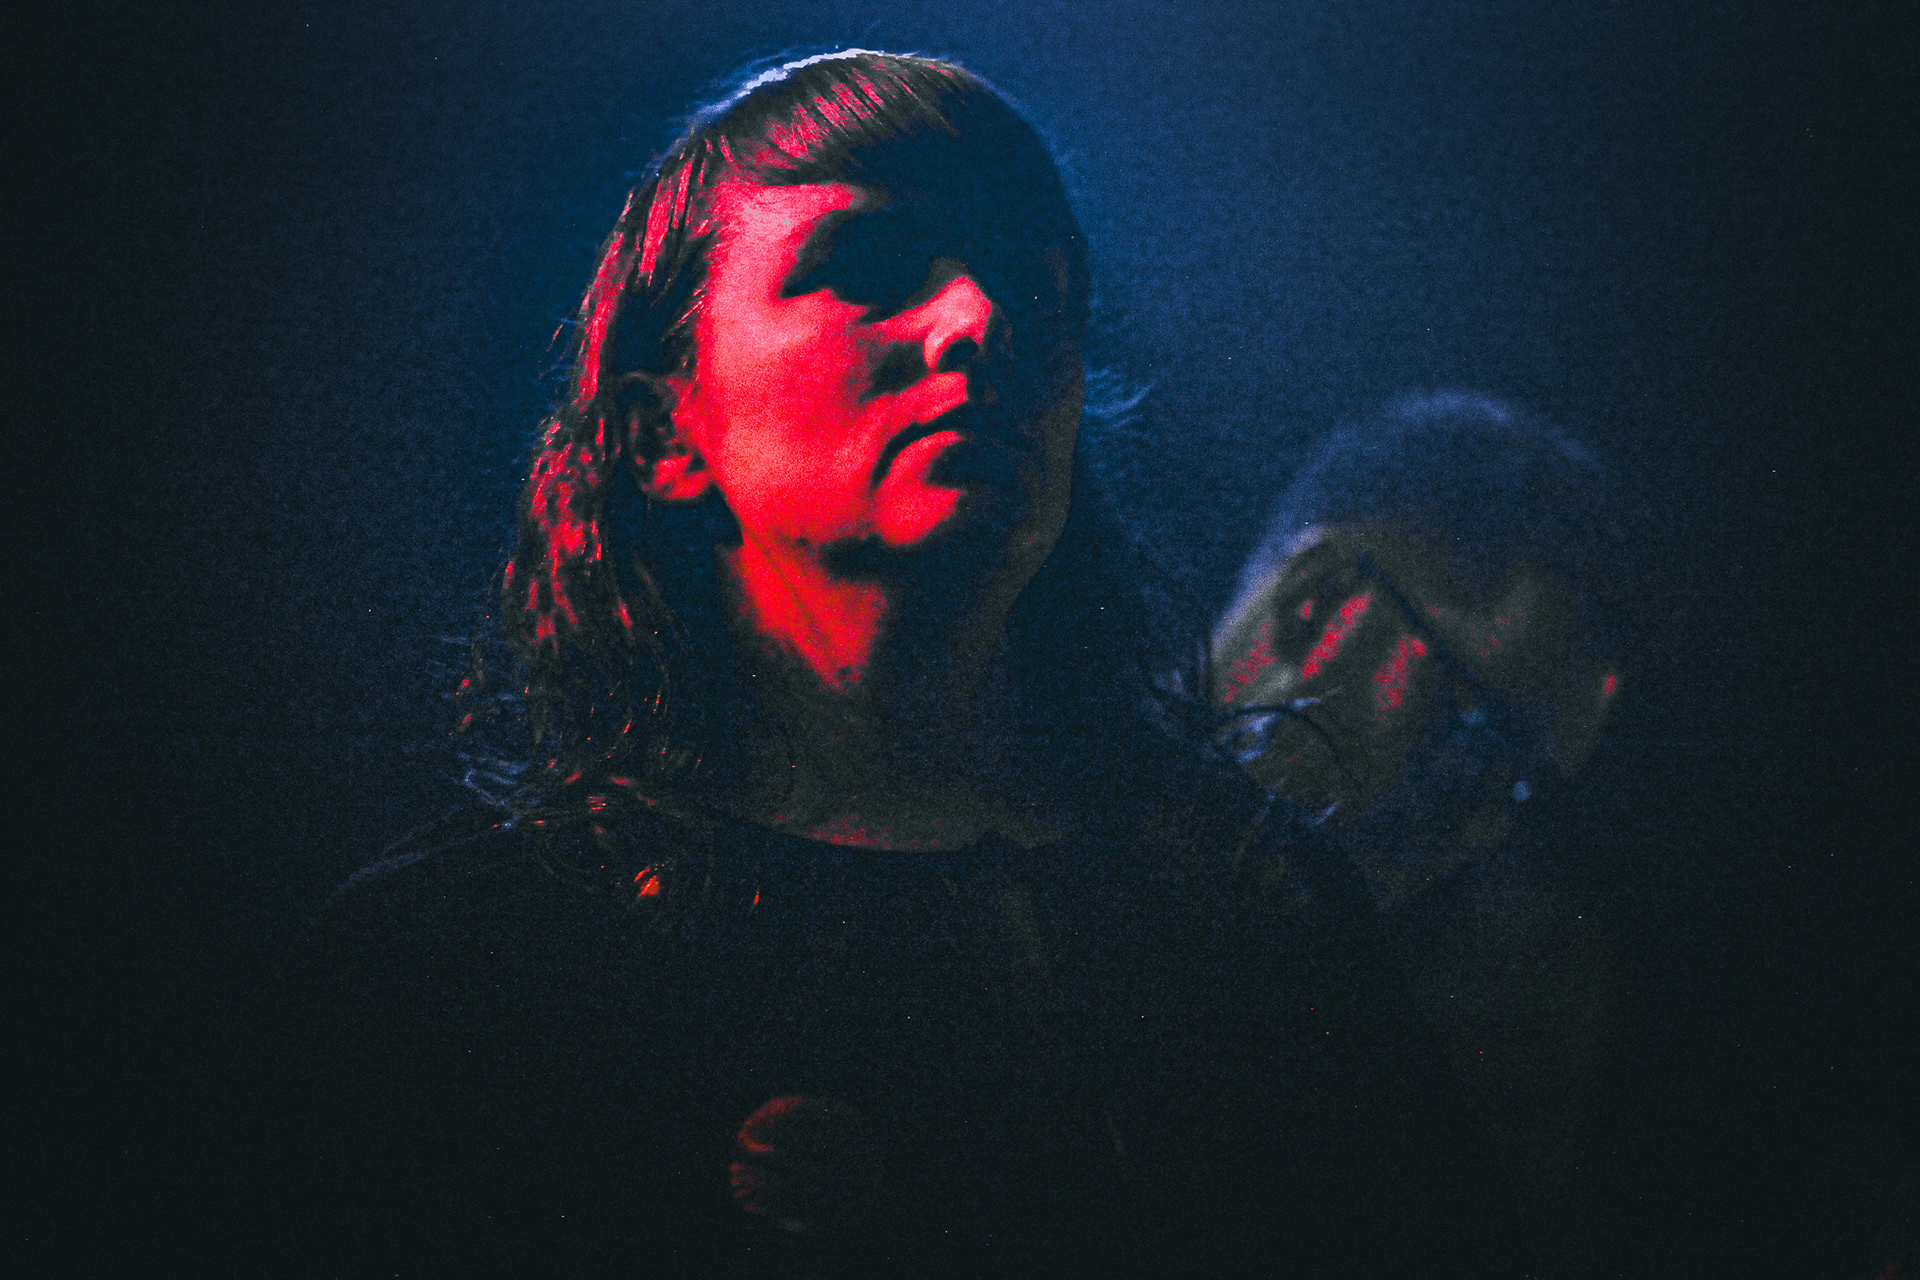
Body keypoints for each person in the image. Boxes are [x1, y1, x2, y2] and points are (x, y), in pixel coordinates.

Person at [287, 52, 1514, 1275]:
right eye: (866, 266)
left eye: (1034, 291)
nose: (980, 320)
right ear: (665, 430)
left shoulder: (1264, 925)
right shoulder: (463, 967)